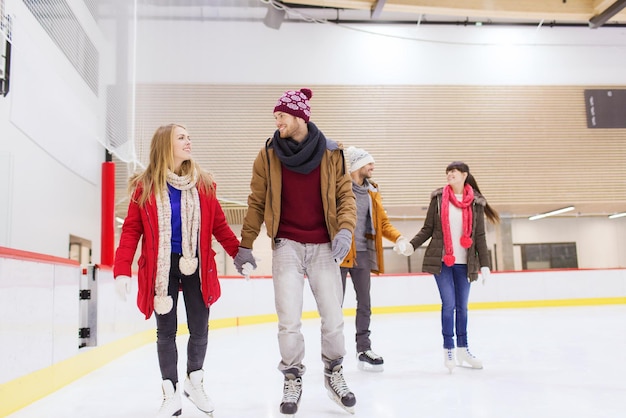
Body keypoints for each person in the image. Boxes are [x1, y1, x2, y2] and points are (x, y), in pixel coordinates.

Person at [233, 88, 357, 416]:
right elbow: (257, 201)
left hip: (324, 246)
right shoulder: (269, 154)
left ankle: (334, 372)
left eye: (281, 116)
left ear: (300, 116)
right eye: (276, 117)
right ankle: (292, 376)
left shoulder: (332, 153)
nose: (277, 122)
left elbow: (346, 197)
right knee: (288, 319)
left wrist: (345, 230)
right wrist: (245, 244)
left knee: (332, 316)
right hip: (286, 243)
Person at [113, 123, 241, 417]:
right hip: (161, 268)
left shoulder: (203, 183)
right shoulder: (145, 186)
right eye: (181, 137)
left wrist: (239, 254)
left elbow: (219, 225)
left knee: (200, 326)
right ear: (165, 145)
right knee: (165, 332)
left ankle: (194, 381)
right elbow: (131, 231)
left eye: (189, 136)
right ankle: (170, 392)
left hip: (196, 264)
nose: (188, 141)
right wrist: (122, 270)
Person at [397, 161, 499, 373]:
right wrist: (411, 246)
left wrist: (486, 265)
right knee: (449, 304)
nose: (449, 175)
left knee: (463, 307)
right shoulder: (438, 199)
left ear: (464, 175)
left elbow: (479, 236)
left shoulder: (476, 203)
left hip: (466, 263)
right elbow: (428, 229)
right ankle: (449, 349)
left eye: (453, 172)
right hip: (443, 261)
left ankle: (464, 348)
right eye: (447, 172)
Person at [340, 146, 411, 372]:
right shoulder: (339, 189)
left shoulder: (372, 191)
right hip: (339, 254)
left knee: (365, 304)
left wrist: (398, 238)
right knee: (333, 305)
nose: (373, 167)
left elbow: (382, 223)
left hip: (363, 253)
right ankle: (333, 352)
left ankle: (364, 348)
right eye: (369, 163)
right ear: (357, 166)